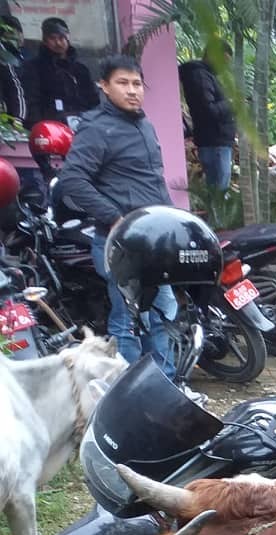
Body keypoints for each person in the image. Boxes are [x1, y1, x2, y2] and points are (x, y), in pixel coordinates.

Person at [56, 55, 177, 373]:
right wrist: (114, 217)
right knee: (128, 322)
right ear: (104, 86)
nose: (132, 90)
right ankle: (130, 393)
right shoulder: (97, 129)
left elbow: (153, 182)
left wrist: (172, 223)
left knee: (162, 316)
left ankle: (166, 385)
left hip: (152, 242)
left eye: (137, 83)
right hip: (120, 244)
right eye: (122, 83)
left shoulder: (145, 125)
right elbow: (72, 180)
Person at [178, 46, 236, 192]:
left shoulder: (205, 75)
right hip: (214, 142)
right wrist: (231, 103)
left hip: (216, 141)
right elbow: (208, 111)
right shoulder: (199, 76)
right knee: (219, 195)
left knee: (218, 191)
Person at [21, 17, 96, 129]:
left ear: (68, 37)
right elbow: (32, 102)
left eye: (62, 37)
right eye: (53, 38)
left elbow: (93, 101)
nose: (58, 43)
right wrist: (38, 127)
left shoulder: (80, 69)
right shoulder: (33, 68)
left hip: (83, 126)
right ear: (45, 40)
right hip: (50, 128)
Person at [0, 17, 26, 126]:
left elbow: (15, 89)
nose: (16, 38)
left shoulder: (25, 60)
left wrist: (18, 118)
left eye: (17, 33)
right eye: (8, 34)